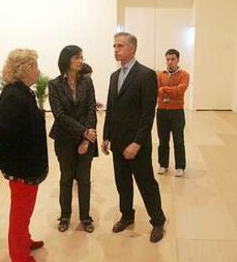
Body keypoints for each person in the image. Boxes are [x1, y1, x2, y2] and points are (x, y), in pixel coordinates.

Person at [102, 32, 166, 243]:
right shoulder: (114, 76)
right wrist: (106, 136)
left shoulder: (145, 75)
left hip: (136, 144)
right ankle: (127, 215)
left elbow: (148, 114)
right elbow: (111, 109)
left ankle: (157, 221)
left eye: (120, 46)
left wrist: (137, 143)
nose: (115, 50)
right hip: (118, 143)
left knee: (146, 183)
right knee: (123, 183)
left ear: (133, 48)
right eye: (114, 46)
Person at [0, 49, 48, 262]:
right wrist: (8, 164)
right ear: (24, 69)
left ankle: (25, 240)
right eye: (34, 66)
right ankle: (21, 259)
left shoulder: (22, 92)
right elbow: (6, 136)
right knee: (20, 213)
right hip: (22, 166)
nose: (38, 71)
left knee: (25, 209)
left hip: (28, 163)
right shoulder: (14, 96)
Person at [49, 45, 98, 233]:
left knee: (84, 180)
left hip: (86, 139)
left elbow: (91, 110)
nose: (81, 60)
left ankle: (85, 217)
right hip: (64, 139)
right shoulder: (55, 85)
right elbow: (59, 115)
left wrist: (86, 139)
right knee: (66, 178)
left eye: (82, 57)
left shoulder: (87, 82)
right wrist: (84, 132)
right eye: (77, 57)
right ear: (67, 60)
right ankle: (65, 216)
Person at [156, 49, 190, 177]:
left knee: (178, 140)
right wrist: (171, 90)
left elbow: (181, 90)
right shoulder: (160, 75)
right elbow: (157, 91)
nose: (170, 62)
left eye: (173, 59)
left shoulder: (184, 75)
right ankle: (163, 164)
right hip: (162, 112)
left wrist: (164, 89)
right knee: (163, 140)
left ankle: (180, 166)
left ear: (178, 60)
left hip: (177, 112)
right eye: (168, 59)